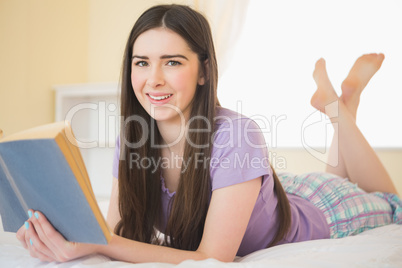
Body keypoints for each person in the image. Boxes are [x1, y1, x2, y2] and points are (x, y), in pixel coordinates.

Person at [16, 4, 401, 264]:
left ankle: (340, 107)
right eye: (142, 63)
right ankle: (344, 102)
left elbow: (211, 259)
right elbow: (118, 231)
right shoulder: (133, 136)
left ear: (203, 72)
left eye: (172, 62)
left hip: (322, 211)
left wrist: (97, 242)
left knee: (391, 202)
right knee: (335, 175)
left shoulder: (236, 135)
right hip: (275, 195)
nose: (153, 79)